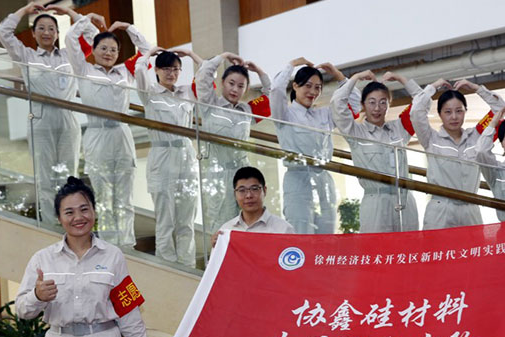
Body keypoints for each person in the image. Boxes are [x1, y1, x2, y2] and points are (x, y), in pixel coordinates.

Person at [15, 176, 158, 337]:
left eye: (84, 209)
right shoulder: (42, 259)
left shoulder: (113, 256)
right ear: (59, 218)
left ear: (94, 211)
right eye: (69, 212)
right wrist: (37, 296)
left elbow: (129, 312)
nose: (78, 217)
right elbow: (22, 310)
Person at [0, 3, 87, 226]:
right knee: (45, 179)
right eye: (41, 28)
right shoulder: (26, 55)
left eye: (51, 29)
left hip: (68, 120)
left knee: (69, 177)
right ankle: (49, 226)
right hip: (40, 121)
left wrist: (70, 12)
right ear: (34, 34)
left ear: (58, 33)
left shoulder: (70, 55)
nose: (47, 32)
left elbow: (91, 35)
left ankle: (69, 224)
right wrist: (25, 10)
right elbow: (2, 32)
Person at [65, 13, 151, 248]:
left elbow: (147, 52)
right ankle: (108, 245)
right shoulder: (83, 70)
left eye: (113, 50)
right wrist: (87, 18)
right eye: (103, 48)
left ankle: (127, 245)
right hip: (97, 133)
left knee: (125, 196)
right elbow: (70, 39)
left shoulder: (125, 71)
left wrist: (128, 27)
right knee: (103, 196)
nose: (108, 53)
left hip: (122, 134)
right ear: (93, 50)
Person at [210, 166, 293, 337]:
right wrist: (216, 249)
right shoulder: (226, 231)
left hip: (277, 319)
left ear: (264, 190)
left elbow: (295, 275)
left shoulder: (283, 230)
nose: (249, 195)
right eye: (242, 190)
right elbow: (218, 278)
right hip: (241, 321)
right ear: (234, 194)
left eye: (254, 189)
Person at [270, 57, 360, 234]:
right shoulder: (284, 114)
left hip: (324, 180)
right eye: (308, 86)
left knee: (327, 237)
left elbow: (354, 105)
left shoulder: (324, 114)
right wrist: (291, 65)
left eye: (318, 87)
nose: (313, 91)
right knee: (301, 234)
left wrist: (338, 75)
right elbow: (276, 90)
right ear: (295, 86)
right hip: (297, 181)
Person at [135, 47, 202, 267]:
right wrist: (150, 53)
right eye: (165, 69)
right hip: (161, 155)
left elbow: (206, 76)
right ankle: (167, 265)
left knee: (186, 219)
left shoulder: (187, 93)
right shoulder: (149, 93)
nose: (171, 73)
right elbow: (139, 70)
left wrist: (191, 55)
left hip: (186, 155)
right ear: (156, 70)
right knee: (165, 219)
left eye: (175, 69)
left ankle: (188, 265)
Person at [331, 69, 420, 232]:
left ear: (389, 104)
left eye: (383, 102)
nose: (377, 108)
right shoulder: (355, 132)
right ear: (363, 105)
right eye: (372, 102)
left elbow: (422, 102)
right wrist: (356, 78)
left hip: (405, 201)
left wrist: (400, 78)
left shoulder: (400, 128)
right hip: (376, 202)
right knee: (376, 246)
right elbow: (337, 103)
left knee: (409, 246)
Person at [410, 78, 505, 229]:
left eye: (459, 111)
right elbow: (416, 111)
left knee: (473, 245)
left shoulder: (477, 136)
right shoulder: (430, 138)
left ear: (465, 111)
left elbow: (500, 108)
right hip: (440, 209)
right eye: (448, 112)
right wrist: (433, 86)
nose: (454, 117)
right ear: (440, 114)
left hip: (470, 207)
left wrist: (476, 88)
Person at [198, 52, 272, 234]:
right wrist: (223, 56)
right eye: (231, 83)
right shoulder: (209, 104)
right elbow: (203, 76)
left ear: (246, 89)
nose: (235, 89)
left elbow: (271, 96)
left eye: (241, 86)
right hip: (217, 174)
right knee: (219, 224)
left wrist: (259, 72)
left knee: (248, 223)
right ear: (223, 82)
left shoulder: (247, 110)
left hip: (243, 173)